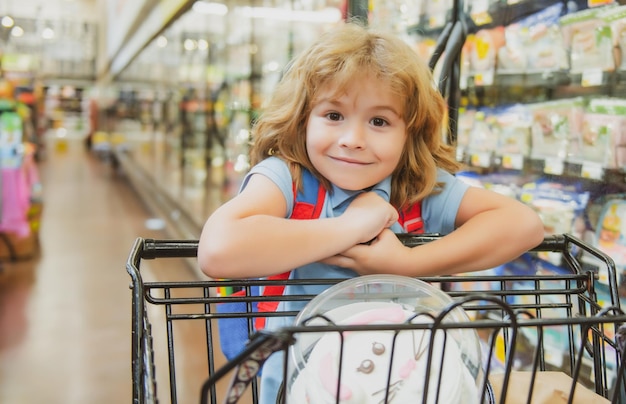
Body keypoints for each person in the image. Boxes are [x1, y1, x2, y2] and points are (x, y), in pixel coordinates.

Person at [198, 21, 544, 403]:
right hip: (301, 389)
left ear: (409, 133)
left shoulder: (416, 187)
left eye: (379, 121)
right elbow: (218, 249)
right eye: (333, 115)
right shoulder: (288, 179)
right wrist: (350, 226)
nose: (353, 140)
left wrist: (406, 264)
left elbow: (524, 225)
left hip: (406, 386)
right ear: (302, 118)